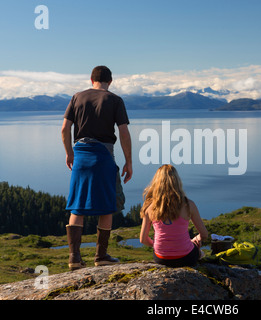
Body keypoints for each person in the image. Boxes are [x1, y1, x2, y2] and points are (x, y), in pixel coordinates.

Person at [61, 65, 132, 271]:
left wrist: (69, 153)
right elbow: (124, 133)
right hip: (103, 156)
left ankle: (74, 258)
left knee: (77, 205)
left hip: (80, 155)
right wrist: (129, 161)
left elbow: (65, 129)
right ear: (110, 81)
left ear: (91, 80)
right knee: (107, 204)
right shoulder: (115, 100)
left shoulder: (77, 97)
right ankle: (101, 256)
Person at [139, 164, 208, 267]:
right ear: (177, 181)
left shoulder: (150, 207)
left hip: (161, 258)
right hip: (186, 257)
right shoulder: (188, 205)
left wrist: (159, 245)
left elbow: (143, 240)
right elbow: (204, 235)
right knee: (199, 252)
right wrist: (195, 240)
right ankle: (200, 255)